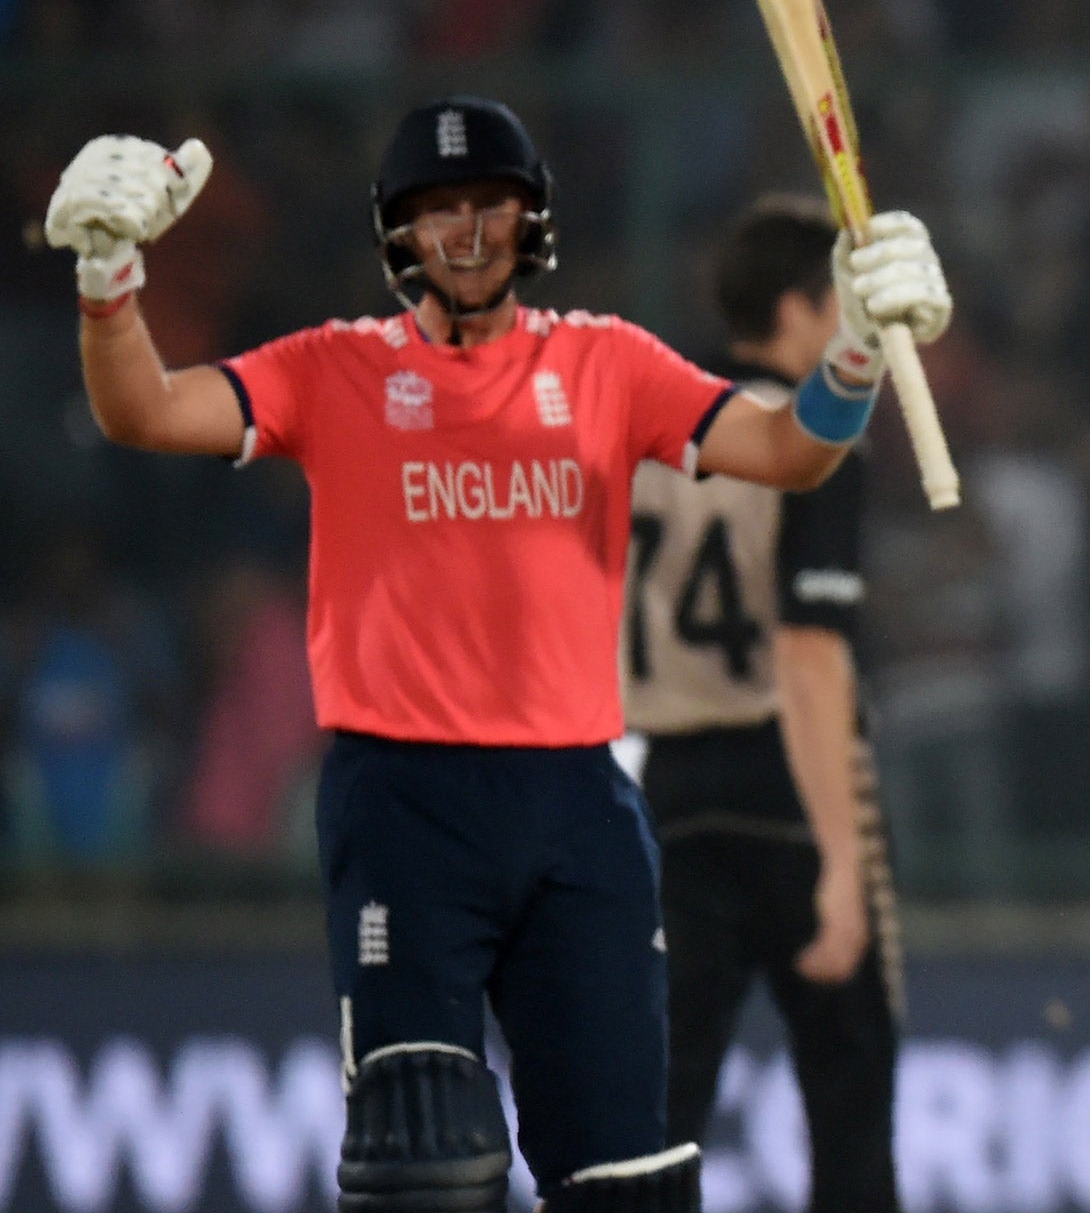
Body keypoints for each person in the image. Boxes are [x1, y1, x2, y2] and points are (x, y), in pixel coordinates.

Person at [41, 99, 951, 1213]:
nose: (467, 234)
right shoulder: (331, 371)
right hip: (403, 805)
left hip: (578, 799)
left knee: (625, 1178)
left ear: (534, 223)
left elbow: (786, 452)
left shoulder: (608, 363)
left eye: (492, 207)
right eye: (439, 212)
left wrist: (853, 354)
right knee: (421, 1161)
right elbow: (141, 411)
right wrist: (107, 284)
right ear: (398, 235)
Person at [623, 196, 900, 1211]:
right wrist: (837, 856)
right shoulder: (807, 434)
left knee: (656, 1113)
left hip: (666, 785)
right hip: (794, 781)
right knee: (849, 1104)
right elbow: (810, 655)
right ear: (799, 309)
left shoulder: (659, 426)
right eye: (839, 308)